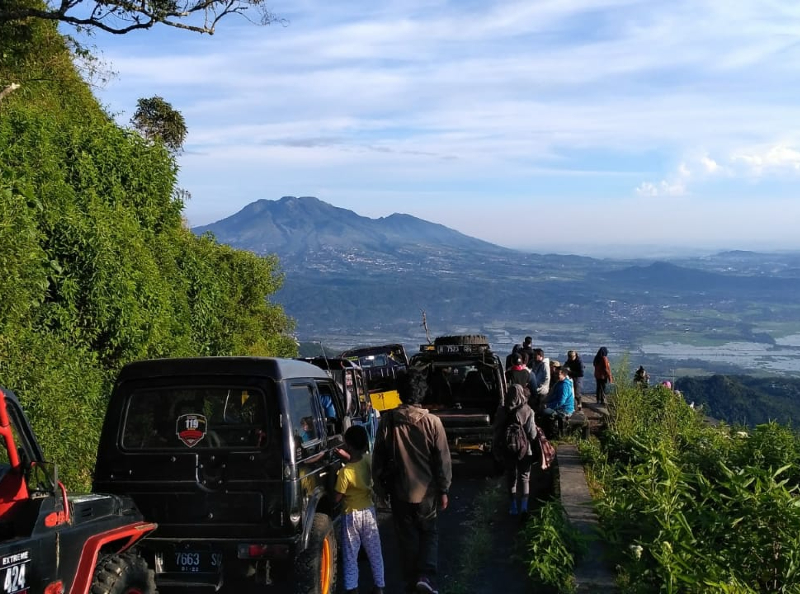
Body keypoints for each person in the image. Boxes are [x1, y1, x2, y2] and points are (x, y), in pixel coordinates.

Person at [373, 369, 452, 594]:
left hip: (399, 490)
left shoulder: (388, 420)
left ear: (399, 393)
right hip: (427, 490)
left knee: (406, 536)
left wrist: (379, 487)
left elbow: (378, 455)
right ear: (422, 393)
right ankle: (426, 576)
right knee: (429, 532)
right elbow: (443, 459)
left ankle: (411, 580)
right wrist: (444, 489)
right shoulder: (433, 422)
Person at [335, 425, 385, 594]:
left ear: (347, 445)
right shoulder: (368, 460)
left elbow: (338, 496)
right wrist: (349, 456)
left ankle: (352, 589)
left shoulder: (345, 472)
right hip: (368, 512)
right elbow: (360, 462)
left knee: (350, 556)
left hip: (351, 515)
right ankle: (379, 587)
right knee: (375, 552)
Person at [492, 384, 538, 516]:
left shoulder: (501, 410)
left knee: (511, 476)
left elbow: (497, 430)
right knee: (524, 476)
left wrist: (496, 448)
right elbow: (532, 434)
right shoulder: (527, 410)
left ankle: (512, 507)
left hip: (507, 448)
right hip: (524, 449)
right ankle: (523, 506)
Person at [543, 367, 575, 437]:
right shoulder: (559, 383)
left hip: (564, 409)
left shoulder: (564, 386)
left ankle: (552, 433)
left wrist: (548, 406)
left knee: (545, 412)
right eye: (555, 373)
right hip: (560, 407)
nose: (555, 375)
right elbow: (553, 396)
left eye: (558, 374)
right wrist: (544, 402)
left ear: (563, 374)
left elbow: (561, 402)